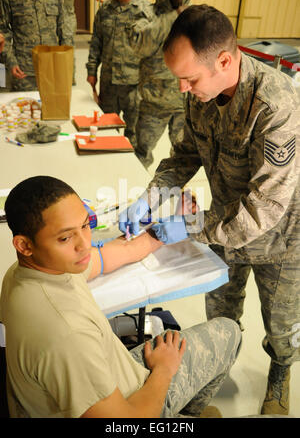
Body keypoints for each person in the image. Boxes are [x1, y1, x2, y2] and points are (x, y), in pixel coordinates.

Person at [119, 5, 300, 416]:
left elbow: (266, 207)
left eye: (190, 78)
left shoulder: (276, 105)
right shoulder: (202, 96)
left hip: (282, 238)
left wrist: (192, 228)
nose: (182, 88)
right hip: (223, 226)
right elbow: (184, 154)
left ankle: (280, 374)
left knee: (283, 322)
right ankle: (219, 363)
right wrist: (152, 195)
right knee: (220, 309)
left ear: (224, 60)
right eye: (178, 78)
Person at [0, 175, 242, 418]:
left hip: (111, 388)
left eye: (85, 226)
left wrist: (160, 231)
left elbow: (109, 257)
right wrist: (164, 370)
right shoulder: (67, 336)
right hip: (135, 407)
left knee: (225, 332)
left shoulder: (31, 271)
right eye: (65, 237)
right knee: (230, 332)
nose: (84, 245)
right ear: (24, 245)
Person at [126, 0, 189, 170]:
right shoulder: (146, 12)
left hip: (185, 102)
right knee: (142, 154)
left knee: (184, 156)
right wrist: (173, 16)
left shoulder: (192, 14)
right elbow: (140, 44)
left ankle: (178, 193)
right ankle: (136, 191)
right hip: (154, 102)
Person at [86, 0, 153, 148]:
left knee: (135, 135)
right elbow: (96, 42)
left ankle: (134, 170)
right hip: (109, 85)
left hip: (136, 86)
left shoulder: (147, 11)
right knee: (107, 131)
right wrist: (92, 71)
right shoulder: (104, 10)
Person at [0, 0, 74, 91]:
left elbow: (65, 31)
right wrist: (11, 61)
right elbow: (2, 31)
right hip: (23, 71)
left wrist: (67, 64)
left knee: (53, 103)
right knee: (25, 103)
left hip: (53, 67)